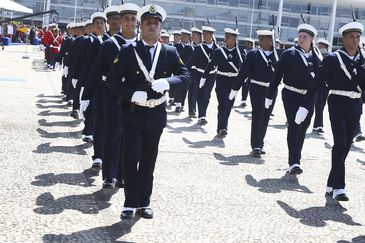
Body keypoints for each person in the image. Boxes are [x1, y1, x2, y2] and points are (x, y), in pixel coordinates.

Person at [106, 4, 190, 219]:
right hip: (132, 112)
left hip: (156, 114)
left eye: (156, 23)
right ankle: (130, 202)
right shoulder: (128, 51)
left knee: (148, 159)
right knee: (130, 156)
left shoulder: (170, 52)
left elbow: (185, 77)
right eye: (148, 23)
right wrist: (131, 94)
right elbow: (113, 80)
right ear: (140, 27)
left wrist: (168, 82)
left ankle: (144, 202)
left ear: (160, 27)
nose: (152, 26)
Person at [295, 21, 365, 201]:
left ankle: (331, 182)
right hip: (337, 103)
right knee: (340, 144)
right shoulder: (333, 59)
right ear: (344, 39)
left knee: (347, 146)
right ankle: (339, 187)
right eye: (352, 37)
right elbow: (316, 83)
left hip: (356, 105)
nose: (356, 40)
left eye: (358, 37)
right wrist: (304, 106)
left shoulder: (363, 58)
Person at [266, 23, 322, 175]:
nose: (301, 39)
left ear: (311, 40)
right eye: (300, 36)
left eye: (305, 37)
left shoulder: (317, 57)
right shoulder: (289, 54)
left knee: (303, 128)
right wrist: (269, 95)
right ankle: (294, 162)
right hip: (291, 95)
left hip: (309, 98)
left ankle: (297, 158)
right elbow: (277, 76)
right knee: (294, 126)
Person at [230, 29, 280, 157]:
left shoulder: (278, 55)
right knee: (258, 115)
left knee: (266, 116)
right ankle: (256, 145)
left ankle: (260, 142)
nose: (260, 41)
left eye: (264, 38)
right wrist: (235, 88)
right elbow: (244, 72)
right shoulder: (253, 54)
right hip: (257, 88)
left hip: (271, 89)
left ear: (270, 40)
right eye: (260, 38)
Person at [202, 28, 242, 137]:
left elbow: (243, 67)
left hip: (234, 82)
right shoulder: (219, 51)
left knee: (229, 106)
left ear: (234, 39)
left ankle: (224, 126)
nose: (225, 39)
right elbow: (211, 65)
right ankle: (221, 128)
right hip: (222, 80)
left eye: (228, 37)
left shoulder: (239, 52)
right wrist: (204, 77)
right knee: (223, 104)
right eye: (225, 36)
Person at [186, 25, 218, 124]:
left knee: (207, 95)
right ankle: (202, 116)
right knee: (200, 94)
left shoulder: (217, 49)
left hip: (211, 75)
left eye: (206, 34)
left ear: (211, 35)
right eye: (203, 33)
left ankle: (202, 114)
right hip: (199, 74)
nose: (204, 36)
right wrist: (183, 72)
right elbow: (190, 62)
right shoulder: (199, 48)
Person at [312, 38, 330, 133]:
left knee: (321, 105)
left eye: (322, 46)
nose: (320, 47)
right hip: (316, 84)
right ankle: (318, 125)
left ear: (326, 48)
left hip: (325, 86)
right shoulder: (315, 56)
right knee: (318, 105)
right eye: (319, 46)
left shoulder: (329, 57)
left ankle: (317, 124)